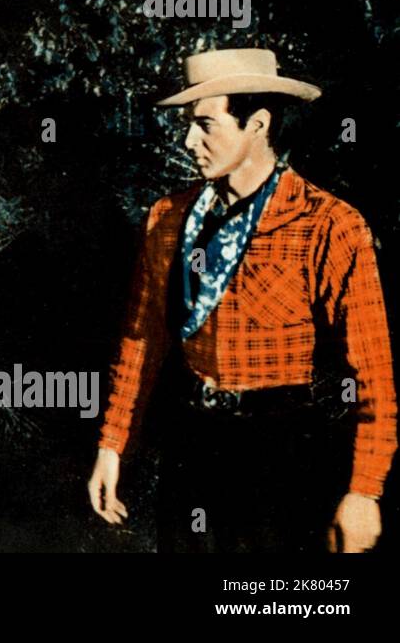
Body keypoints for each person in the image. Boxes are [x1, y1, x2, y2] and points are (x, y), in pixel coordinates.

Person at [88, 48, 396, 552]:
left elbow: (374, 371)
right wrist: (112, 445)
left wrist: (364, 490)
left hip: (284, 454)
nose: (190, 141)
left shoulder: (328, 225)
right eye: (190, 125)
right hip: (192, 445)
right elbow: (140, 341)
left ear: (257, 123)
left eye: (207, 124)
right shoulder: (168, 221)